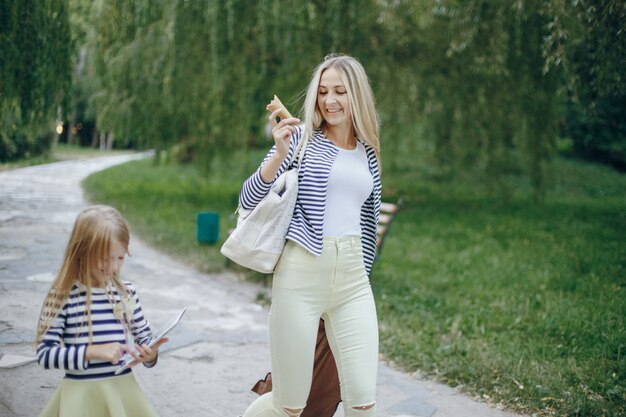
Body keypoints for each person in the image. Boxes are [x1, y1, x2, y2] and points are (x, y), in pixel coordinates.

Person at [241, 53, 381, 417]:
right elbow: (248, 198)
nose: (330, 101)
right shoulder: (302, 139)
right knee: (288, 405)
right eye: (322, 92)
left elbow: (368, 221)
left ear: (357, 95)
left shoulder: (368, 151)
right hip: (301, 276)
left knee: (363, 402)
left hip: (352, 283)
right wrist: (278, 155)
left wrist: (361, 270)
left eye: (340, 91)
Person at [35, 205, 168, 417]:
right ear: (81, 251)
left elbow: (145, 338)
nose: (112, 266)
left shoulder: (126, 293)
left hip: (122, 392)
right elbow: (45, 355)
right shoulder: (62, 297)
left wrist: (150, 355)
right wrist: (93, 351)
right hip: (81, 398)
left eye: (120, 258)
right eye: (103, 258)